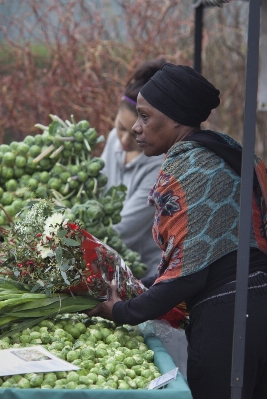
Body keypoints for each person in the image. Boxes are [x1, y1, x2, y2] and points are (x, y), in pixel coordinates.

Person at [87, 63, 267, 399]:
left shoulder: (186, 168)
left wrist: (123, 311)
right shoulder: (227, 151)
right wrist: (144, 289)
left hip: (228, 325)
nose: (137, 128)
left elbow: (189, 275)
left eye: (144, 117)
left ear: (175, 119)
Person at [101, 58, 166, 276]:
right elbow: (96, 191)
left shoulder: (159, 166)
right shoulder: (113, 140)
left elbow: (122, 231)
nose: (125, 140)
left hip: (144, 274)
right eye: (120, 127)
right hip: (106, 262)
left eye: (134, 132)